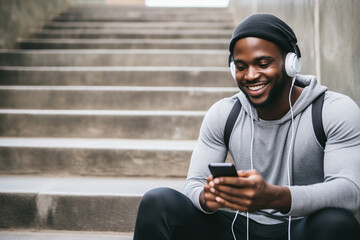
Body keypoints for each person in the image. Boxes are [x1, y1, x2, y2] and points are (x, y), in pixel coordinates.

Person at [133, 13, 360, 240]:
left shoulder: (333, 110)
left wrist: (275, 197)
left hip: (302, 228)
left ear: (291, 63)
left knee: (337, 223)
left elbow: (350, 192)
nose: (251, 75)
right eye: (241, 67)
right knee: (158, 202)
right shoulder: (224, 113)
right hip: (238, 228)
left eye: (263, 63)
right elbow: (193, 184)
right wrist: (207, 198)